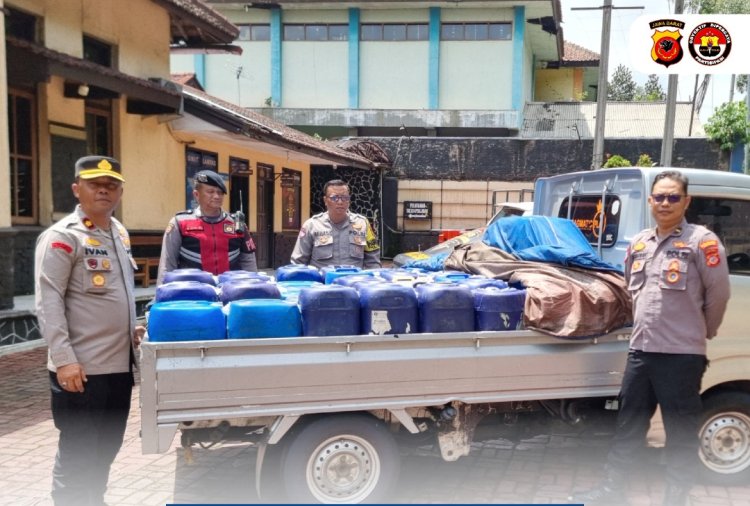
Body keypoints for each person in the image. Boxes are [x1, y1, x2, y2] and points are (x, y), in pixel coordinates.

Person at [570, 170, 731, 506]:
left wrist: (705, 331)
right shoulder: (640, 243)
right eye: (659, 197)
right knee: (628, 426)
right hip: (641, 352)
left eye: (673, 197)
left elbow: (719, 294)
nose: (665, 203)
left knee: (680, 433)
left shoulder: (703, 242)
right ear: (650, 200)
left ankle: (676, 498)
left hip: (681, 357)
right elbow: (632, 289)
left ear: (686, 202)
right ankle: (613, 491)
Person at [35, 155, 145, 506]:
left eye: (111, 185)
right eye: (95, 183)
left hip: (117, 369)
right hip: (81, 372)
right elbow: (47, 302)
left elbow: (117, 293)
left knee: (105, 451)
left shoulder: (119, 233)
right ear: (76, 189)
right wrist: (65, 360)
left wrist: (133, 327)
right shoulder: (63, 238)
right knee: (78, 458)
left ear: (120, 192)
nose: (103, 190)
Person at [157, 169, 257, 283]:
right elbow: (167, 264)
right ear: (196, 194)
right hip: (193, 293)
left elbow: (248, 261)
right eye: (210, 191)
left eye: (220, 192)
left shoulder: (237, 223)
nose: (216, 196)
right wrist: (162, 294)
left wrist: (254, 288)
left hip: (230, 290)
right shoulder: (180, 223)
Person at [290, 179, 381, 269]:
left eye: (344, 198)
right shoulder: (311, 225)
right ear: (325, 200)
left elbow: (373, 261)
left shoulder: (363, 224)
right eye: (334, 198)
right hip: (322, 282)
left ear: (349, 200)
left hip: (352, 282)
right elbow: (298, 263)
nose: (340, 202)